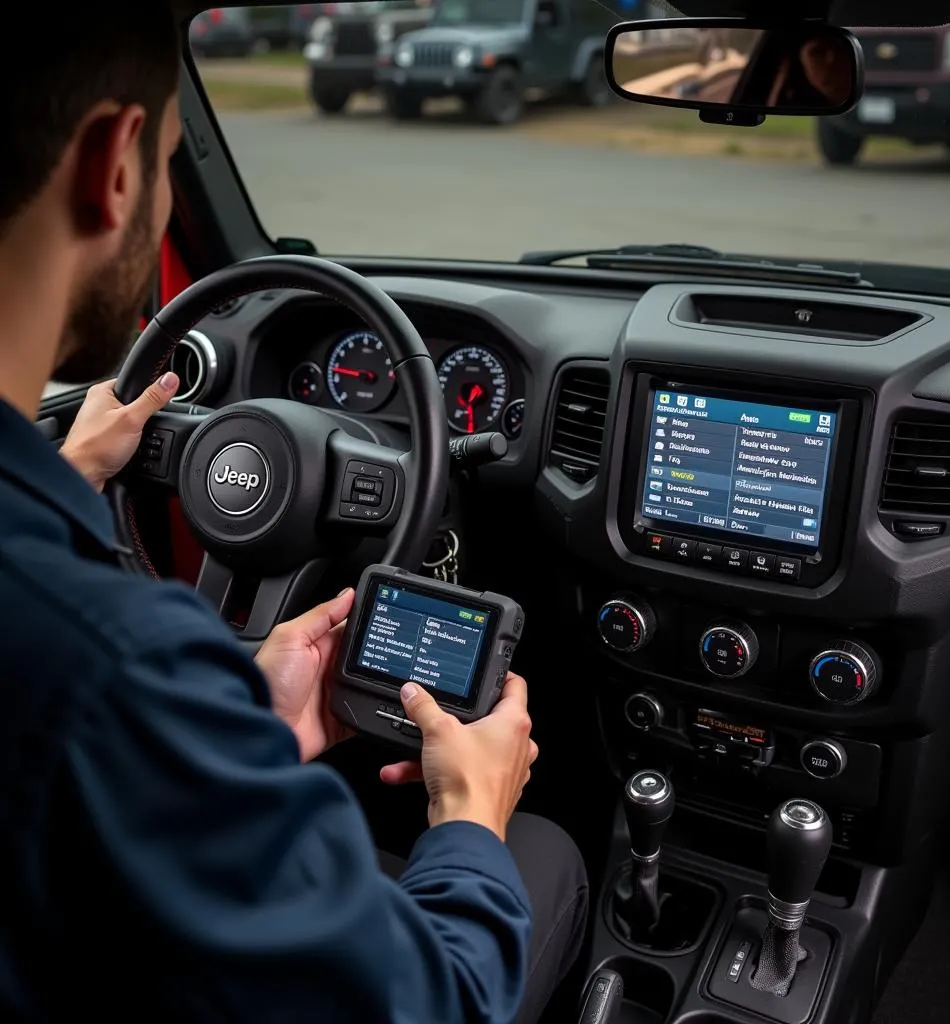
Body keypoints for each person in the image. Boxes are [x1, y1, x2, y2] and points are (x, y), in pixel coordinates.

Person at [0, 4, 587, 1022]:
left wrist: (234, 716)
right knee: (542, 853)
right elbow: (428, 1002)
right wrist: (468, 813)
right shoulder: (114, 670)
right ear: (116, 164)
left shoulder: (108, 658)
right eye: (179, 158)